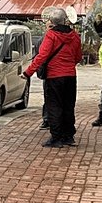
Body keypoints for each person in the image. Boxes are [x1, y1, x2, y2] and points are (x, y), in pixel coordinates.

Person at [22, 8, 82, 148]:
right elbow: (78, 57)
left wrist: (28, 72)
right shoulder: (75, 36)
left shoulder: (51, 35)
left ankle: (56, 138)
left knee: (54, 106)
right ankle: (68, 136)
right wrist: (68, 65)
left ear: (52, 22)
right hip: (70, 76)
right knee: (68, 106)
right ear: (65, 20)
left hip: (54, 76)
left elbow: (41, 56)